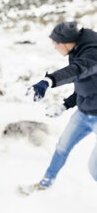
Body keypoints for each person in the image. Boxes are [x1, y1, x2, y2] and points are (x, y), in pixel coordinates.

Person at [28, 21, 97, 190]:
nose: (54, 47)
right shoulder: (76, 50)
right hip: (82, 114)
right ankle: (46, 182)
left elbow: (77, 70)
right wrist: (65, 105)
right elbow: (86, 86)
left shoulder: (92, 54)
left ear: (65, 42)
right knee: (61, 147)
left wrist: (49, 80)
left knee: (94, 169)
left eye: (55, 44)